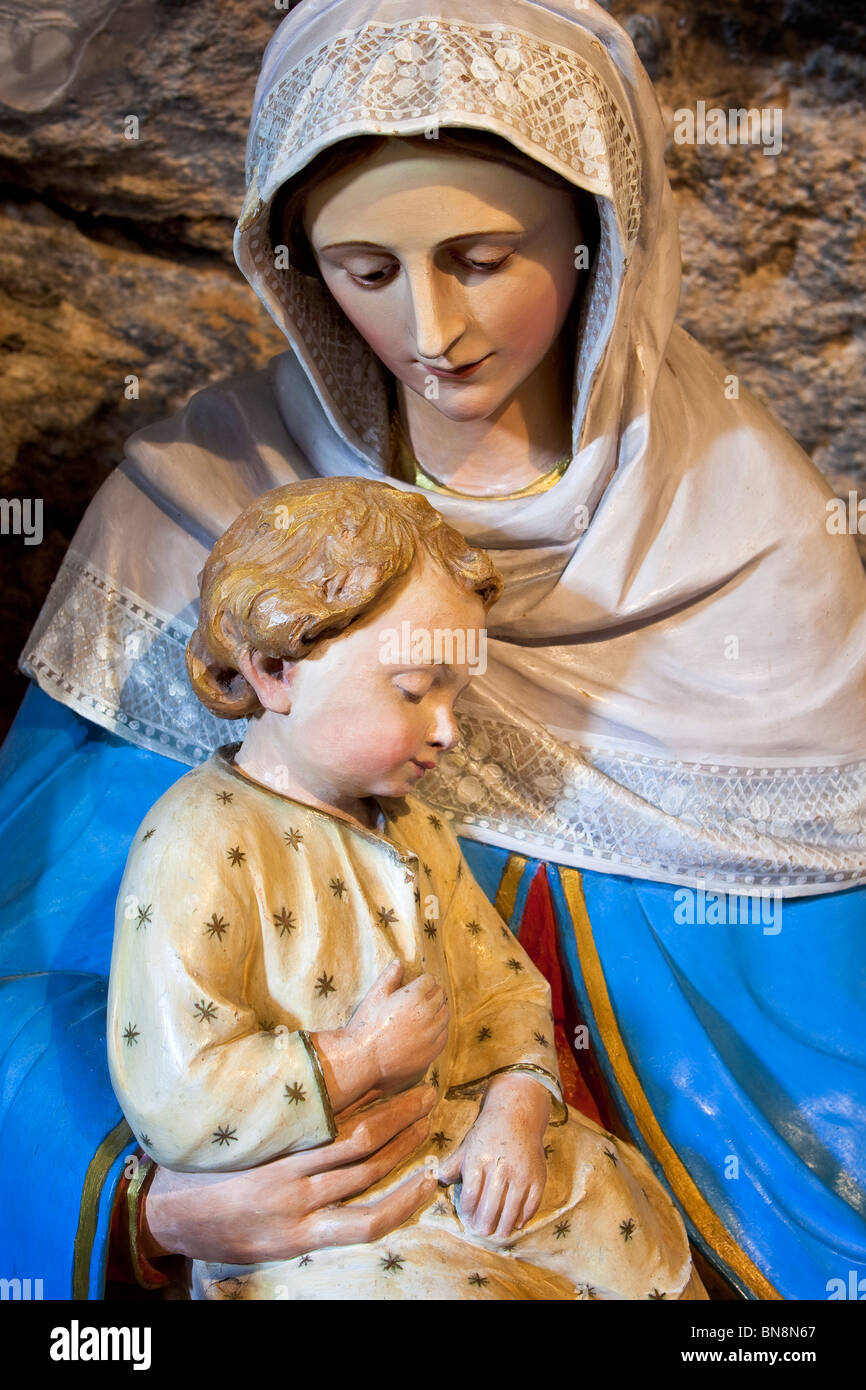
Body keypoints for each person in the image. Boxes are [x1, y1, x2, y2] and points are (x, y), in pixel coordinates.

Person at [2, 0, 864, 1301]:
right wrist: (154, 1200)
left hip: (584, 1202)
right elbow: (41, 941)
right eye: (363, 267)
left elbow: (814, 1017)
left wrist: (530, 1073)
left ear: (598, 240)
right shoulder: (203, 512)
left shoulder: (748, 535)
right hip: (319, 1221)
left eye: (481, 255)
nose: (431, 326)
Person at [107, 476, 699, 1300]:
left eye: (456, 694)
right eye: (417, 691)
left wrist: (516, 1111)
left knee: (615, 1210)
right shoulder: (200, 842)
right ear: (276, 670)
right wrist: (359, 1058)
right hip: (329, 1222)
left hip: (462, 1159)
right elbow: (177, 1093)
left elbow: (502, 992)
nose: (448, 728)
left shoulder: (416, 829)